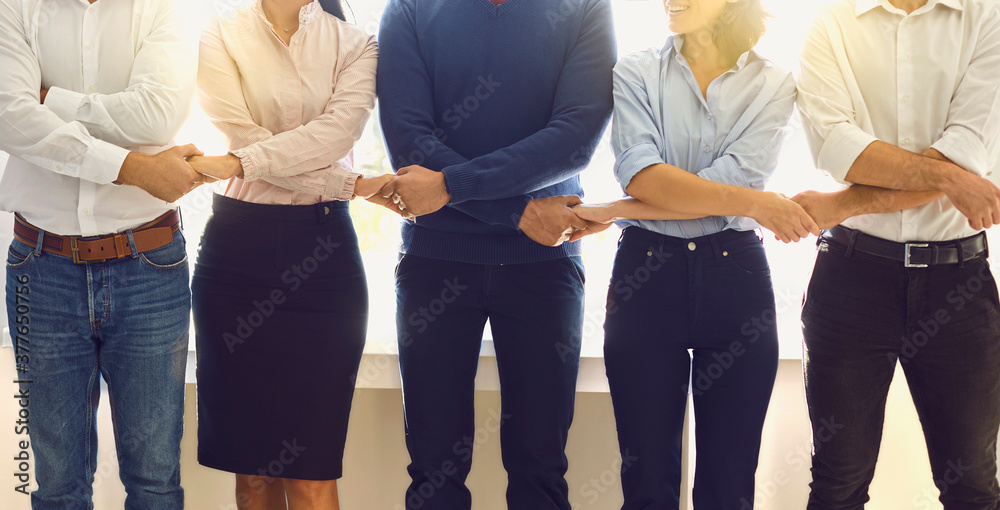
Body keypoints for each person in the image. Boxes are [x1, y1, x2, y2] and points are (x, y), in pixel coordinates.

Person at [573, 0, 818, 508]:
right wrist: (754, 203)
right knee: (646, 484)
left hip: (736, 277)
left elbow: (734, 176)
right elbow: (642, 173)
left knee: (728, 486)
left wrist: (618, 208)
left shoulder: (775, 82)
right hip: (646, 274)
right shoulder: (636, 70)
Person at [375, 0, 616, 507]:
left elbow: (574, 139)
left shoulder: (586, 6)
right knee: (434, 472)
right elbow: (408, 141)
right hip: (435, 265)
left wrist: (456, 186)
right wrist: (518, 213)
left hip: (545, 266)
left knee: (541, 469)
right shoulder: (410, 8)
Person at [792, 0, 1000, 507]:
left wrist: (840, 204)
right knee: (838, 482)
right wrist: (952, 180)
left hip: (960, 284)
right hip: (850, 280)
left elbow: (970, 147)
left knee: (972, 483)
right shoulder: (828, 23)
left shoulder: (988, 16)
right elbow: (838, 148)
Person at [188, 0, 392, 508]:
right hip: (235, 255)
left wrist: (237, 163)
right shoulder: (219, 31)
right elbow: (239, 136)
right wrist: (354, 184)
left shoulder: (356, 44)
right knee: (252, 474)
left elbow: (333, 136)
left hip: (323, 259)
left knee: (311, 472)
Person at [0, 0, 202, 508]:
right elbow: (9, 115)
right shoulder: (15, 8)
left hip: (149, 266)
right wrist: (136, 169)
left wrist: (52, 102)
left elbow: (156, 117)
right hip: (39, 269)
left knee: (154, 481)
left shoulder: (165, 10)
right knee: (57, 487)